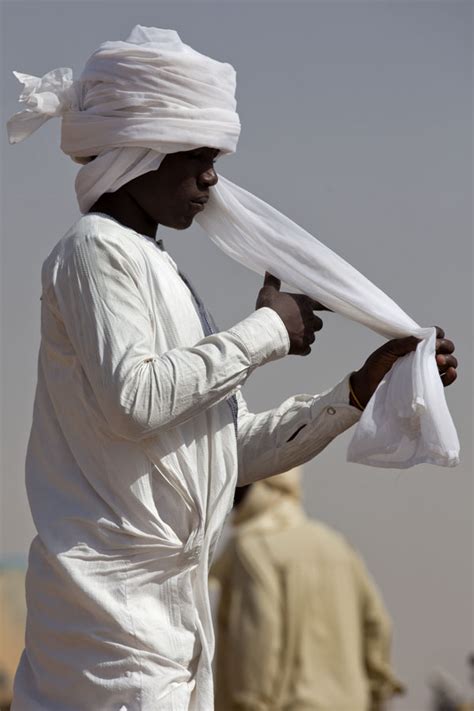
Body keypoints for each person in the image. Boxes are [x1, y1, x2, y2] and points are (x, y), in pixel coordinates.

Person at [7, 26, 457, 711]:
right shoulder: (93, 251)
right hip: (109, 631)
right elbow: (137, 397)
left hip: (168, 627)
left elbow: (228, 452)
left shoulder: (161, 271)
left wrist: (359, 389)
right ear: (142, 152)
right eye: (198, 157)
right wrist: (268, 329)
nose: (211, 178)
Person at [211, 468, 405, 711]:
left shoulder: (253, 549)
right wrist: (377, 694)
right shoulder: (336, 544)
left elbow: (258, 638)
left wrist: (250, 703)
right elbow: (378, 625)